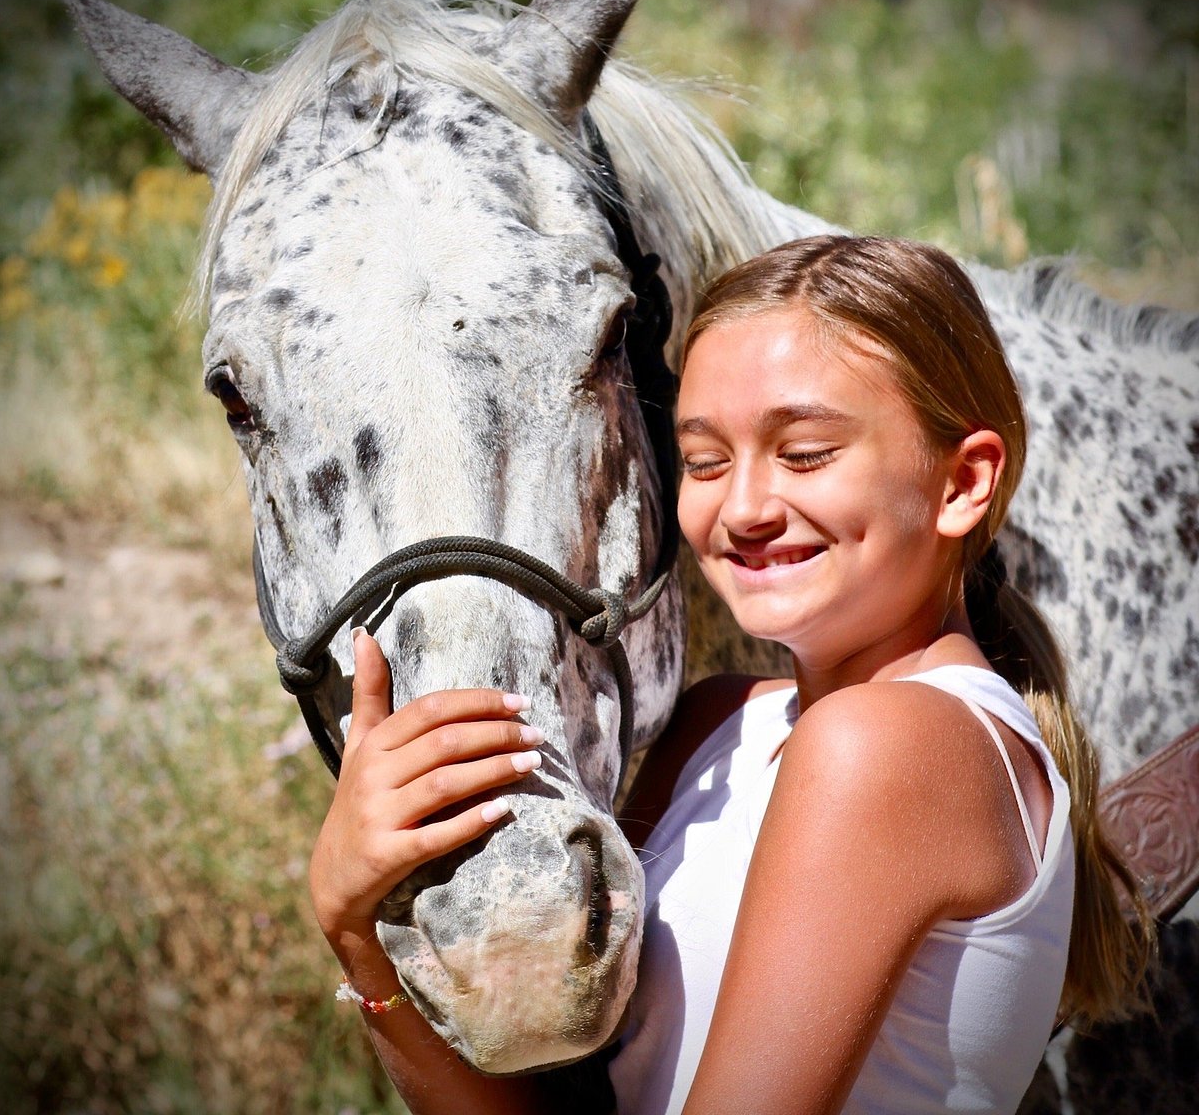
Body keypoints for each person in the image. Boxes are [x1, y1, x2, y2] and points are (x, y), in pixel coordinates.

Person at [307, 235, 1153, 1115]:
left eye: (806, 453)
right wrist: (356, 926)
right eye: (706, 462)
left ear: (964, 483)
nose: (743, 508)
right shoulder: (719, 724)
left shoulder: (889, 742)